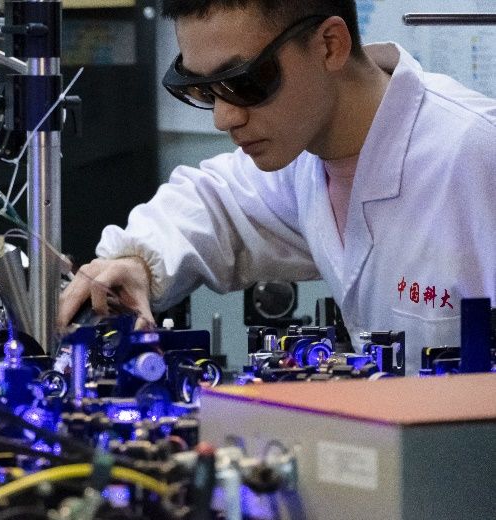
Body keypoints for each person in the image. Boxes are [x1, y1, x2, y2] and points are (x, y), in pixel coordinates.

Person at [57, 0, 496, 374]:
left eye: (244, 82)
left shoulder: (476, 156)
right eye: (205, 91)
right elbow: (214, 202)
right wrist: (136, 261)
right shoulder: (303, 157)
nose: (224, 118)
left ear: (330, 45)